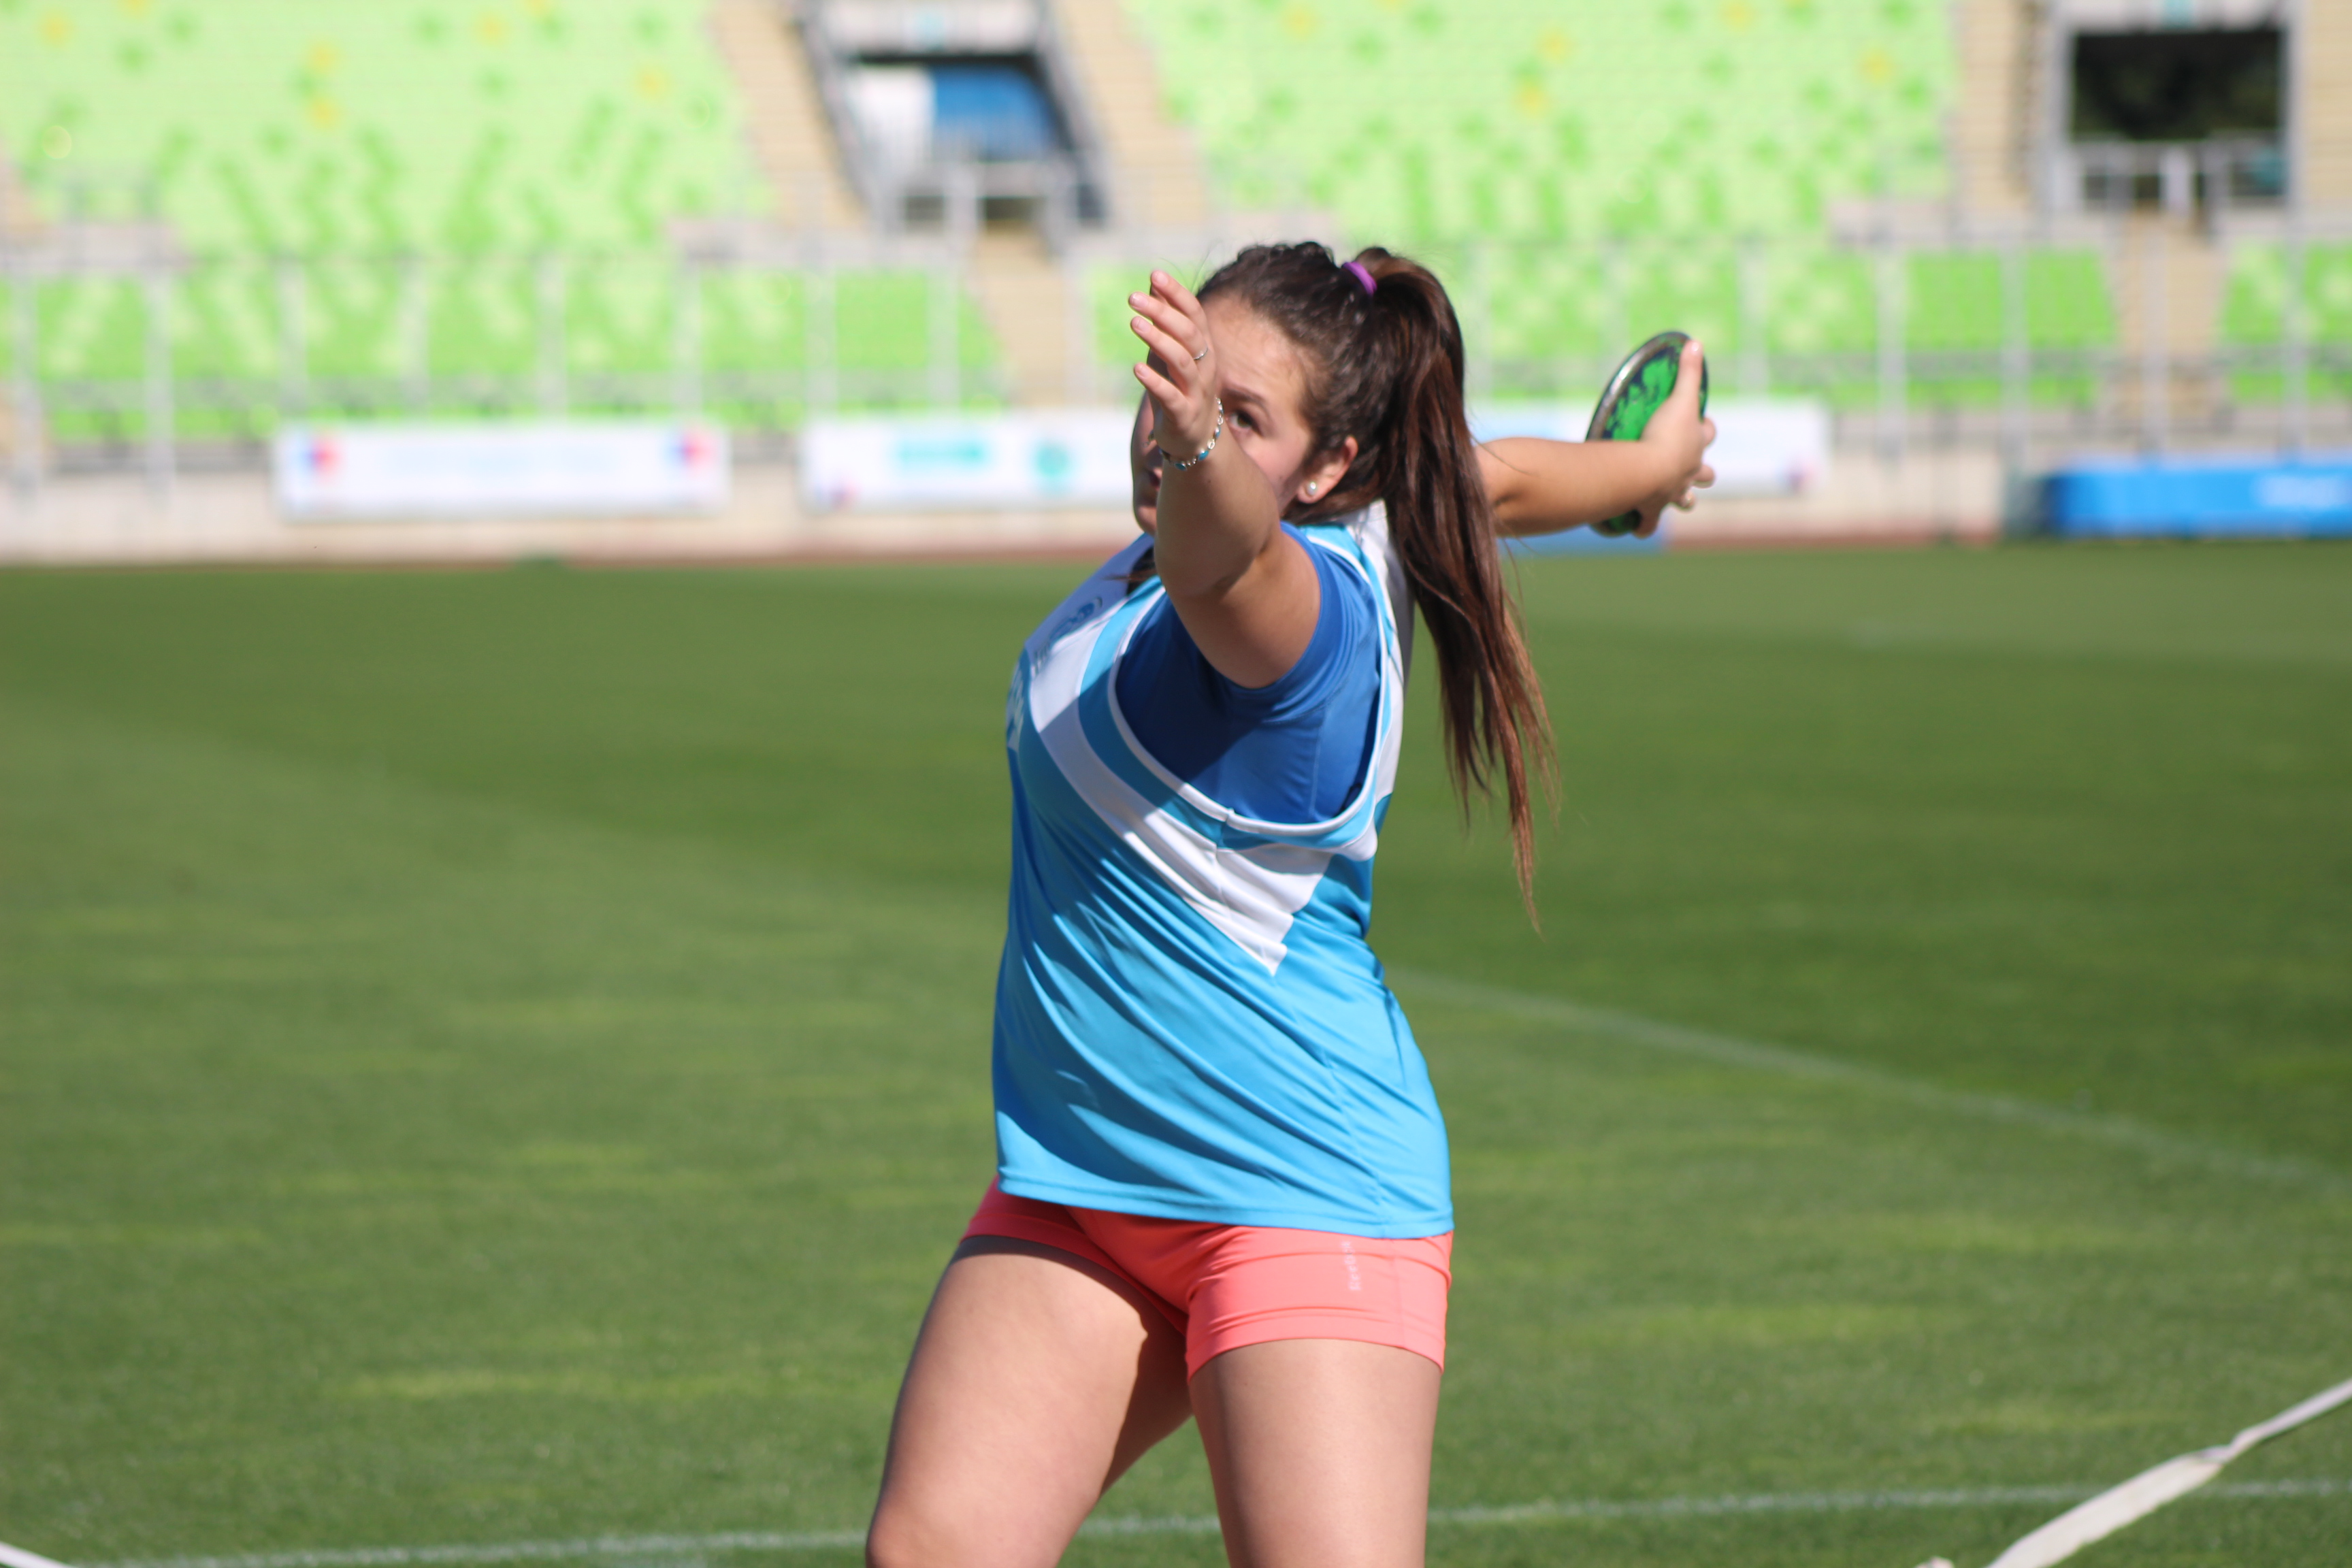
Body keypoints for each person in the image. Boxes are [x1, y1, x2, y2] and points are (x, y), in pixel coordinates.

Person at [865, 242, 1715, 1568]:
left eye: (1240, 414)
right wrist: (1646, 470)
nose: (1174, 429)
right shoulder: (1351, 509)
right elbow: (1495, 478)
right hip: (1085, 1188)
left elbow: (1224, 558)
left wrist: (1199, 442)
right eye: (1179, 384)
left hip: (1297, 1195)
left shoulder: (1301, 619)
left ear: (1326, 469)